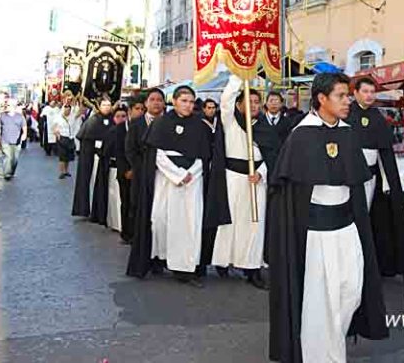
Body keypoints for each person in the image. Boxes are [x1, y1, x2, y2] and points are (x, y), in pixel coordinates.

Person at [268, 72, 387, 363]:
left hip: (346, 229)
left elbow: (355, 184)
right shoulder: (301, 135)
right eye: (341, 96)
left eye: (348, 95)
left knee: (350, 293)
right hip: (316, 235)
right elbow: (288, 196)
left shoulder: (347, 133)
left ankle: (332, 347)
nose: (348, 101)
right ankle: (319, 355)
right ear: (322, 99)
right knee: (320, 300)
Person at [210, 75, 278, 289]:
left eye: (258, 102)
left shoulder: (266, 129)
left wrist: (262, 173)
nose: (254, 106)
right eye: (249, 102)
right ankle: (224, 261)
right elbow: (226, 99)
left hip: (255, 181)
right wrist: (241, 74)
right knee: (231, 222)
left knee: (254, 225)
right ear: (240, 105)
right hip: (232, 179)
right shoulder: (231, 122)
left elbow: (274, 155)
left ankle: (252, 268)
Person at [145, 86, 217, 286]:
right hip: (167, 180)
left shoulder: (200, 126)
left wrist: (189, 174)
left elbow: (204, 156)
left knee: (189, 224)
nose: (188, 105)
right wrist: (176, 175)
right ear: (174, 101)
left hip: (192, 181)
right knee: (161, 220)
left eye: (191, 102)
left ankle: (186, 268)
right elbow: (156, 154)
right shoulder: (161, 123)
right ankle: (160, 258)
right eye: (184, 101)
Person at [346, 77, 404, 277]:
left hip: (372, 177)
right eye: (365, 91)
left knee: (369, 217)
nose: (369, 95)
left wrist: (387, 181)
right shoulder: (347, 115)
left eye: (372, 92)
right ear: (355, 93)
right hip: (350, 177)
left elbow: (385, 153)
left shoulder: (378, 118)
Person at [126, 88, 168, 277]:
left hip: (165, 178)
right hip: (143, 177)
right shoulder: (136, 124)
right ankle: (143, 257)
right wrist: (140, 169)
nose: (156, 103)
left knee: (161, 218)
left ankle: (160, 258)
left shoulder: (170, 123)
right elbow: (130, 149)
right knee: (143, 217)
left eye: (160, 100)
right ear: (146, 103)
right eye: (153, 99)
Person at [71, 96, 113, 218]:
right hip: (93, 156)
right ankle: (85, 208)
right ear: (99, 106)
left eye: (108, 105)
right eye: (104, 105)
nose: (107, 107)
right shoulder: (92, 121)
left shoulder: (113, 119)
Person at [101, 105, 129, 234]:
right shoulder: (111, 132)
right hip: (113, 168)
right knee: (114, 196)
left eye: (124, 116)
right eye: (118, 116)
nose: (121, 119)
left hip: (124, 168)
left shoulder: (130, 131)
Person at [0, 101, 27, 181]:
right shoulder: (2, 116)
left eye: (9, 105)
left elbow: (24, 126)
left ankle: (11, 172)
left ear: (14, 106)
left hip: (16, 141)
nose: (7, 106)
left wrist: (24, 135)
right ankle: (7, 174)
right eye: (7, 105)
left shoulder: (20, 117)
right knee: (8, 157)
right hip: (5, 140)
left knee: (15, 159)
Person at [52, 103, 77, 179]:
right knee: (62, 156)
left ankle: (66, 171)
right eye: (66, 109)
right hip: (62, 138)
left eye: (69, 110)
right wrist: (57, 134)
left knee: (68, 156)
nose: (67, 111)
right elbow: (53, 127)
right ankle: (62, 172)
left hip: (70, 138)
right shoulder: (58, 117)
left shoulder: (72, 117)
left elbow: (81, 111)